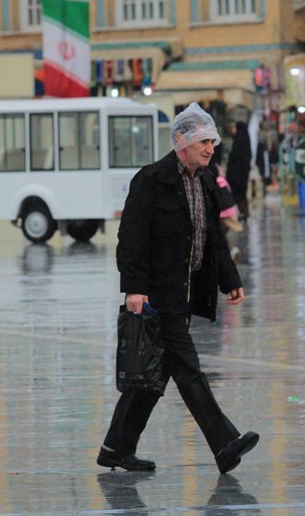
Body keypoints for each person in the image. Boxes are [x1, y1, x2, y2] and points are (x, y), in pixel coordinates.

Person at [98, 103, 258, 474]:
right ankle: (224, 444)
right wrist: (134, 289)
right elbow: (131, 239)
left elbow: (213, 238)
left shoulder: (203, 182)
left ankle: (115, 447)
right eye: (204, 141)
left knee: (152, 379)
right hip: (157, 297)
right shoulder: (151, 180)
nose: (210, 148)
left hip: (184, 296)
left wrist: (229, 279)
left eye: (212, 142)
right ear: (182, 141)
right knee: (187, 368)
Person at [225, 121, 251, 221]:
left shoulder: (240, 141)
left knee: (238, 193)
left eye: (234, 128)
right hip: (241, 174)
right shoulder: (242, 140)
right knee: (241, 193)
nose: (232, 130)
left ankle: (243, 212)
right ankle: (244, 212)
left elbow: (237, 159)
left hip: (238, 175)